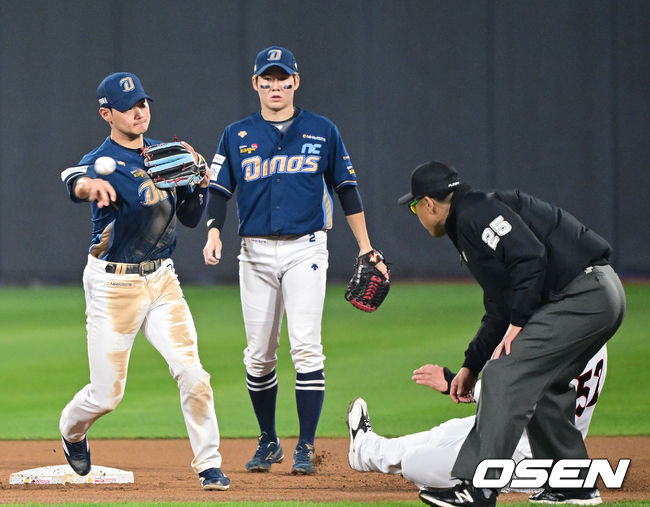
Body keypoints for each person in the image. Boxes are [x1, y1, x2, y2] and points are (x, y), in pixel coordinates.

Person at [202, 46, 387, 475]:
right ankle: (268, 441)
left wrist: (365, 246)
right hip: (255, 251)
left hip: (307, 247)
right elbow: (217, 189)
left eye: (282, 80)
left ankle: (305, 444)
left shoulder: (322, 130)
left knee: (306, 346)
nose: (275, 87)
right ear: (256, 85)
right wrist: (213, 231)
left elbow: (346, 189)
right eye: (267, 81)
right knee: (258, 356)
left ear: (295, 82)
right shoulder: (236, 134)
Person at [396, 161, 625, 506]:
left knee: (504, 373)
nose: (415, 213)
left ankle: (480, 488)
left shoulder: (476, 212)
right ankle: (573, 484)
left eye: (414, 206)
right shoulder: (471, 218)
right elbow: (499, 305)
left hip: (583, 293)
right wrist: (470, 365)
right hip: (600, 292)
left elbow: (530, 257)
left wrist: (519, 322)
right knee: (542, 382)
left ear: (428, 203)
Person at [59, 72, 229, 491]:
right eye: (128, 105)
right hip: (113, 287)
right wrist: (88, 185)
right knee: (106, 397)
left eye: (143, 103)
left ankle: (209, 464)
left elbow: (189, 218)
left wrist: (199, 185)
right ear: (106, 113)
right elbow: (72, 178)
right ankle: (72, 432)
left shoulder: (165, 155)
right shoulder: (102, 159)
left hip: (162, 281)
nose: (139, 111)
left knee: (193, 374)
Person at [346, 345, 607, 492]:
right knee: (447, 432)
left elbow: (512, 398)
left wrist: (453, 383)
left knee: (417, 461)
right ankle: (366, 450)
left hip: (531, 459)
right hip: (528, 435)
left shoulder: (558, 340)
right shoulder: (593, 338)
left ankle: (456, 483)